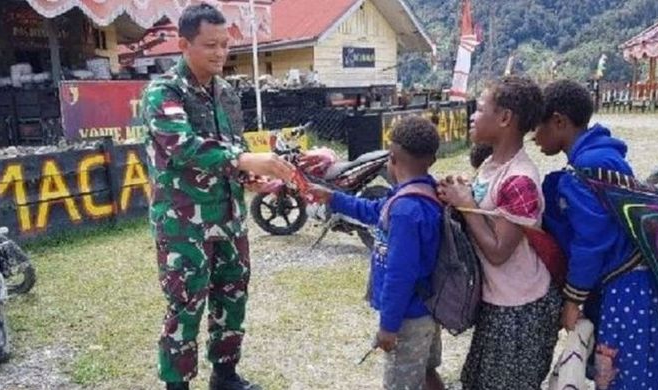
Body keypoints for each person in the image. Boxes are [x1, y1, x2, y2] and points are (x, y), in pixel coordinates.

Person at [140, 4, 295, 390]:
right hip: (183, 222)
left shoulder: (225, 91)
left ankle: (224, 376)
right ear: (183, 44)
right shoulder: (164, 92)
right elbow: (185, 147)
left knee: (232, 296)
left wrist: (250, 176)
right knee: (186, 304)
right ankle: (178, 384)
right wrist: (243, 158)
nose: (220, 53)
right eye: (211, 45)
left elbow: (232, 147)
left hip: (228, 216)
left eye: (225, 45)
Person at [535, 79, 658, 390]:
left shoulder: (585, 168)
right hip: (635, 284)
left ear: (559, 122)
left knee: (619, 372)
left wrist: (572, 298)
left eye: (536, 129)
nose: (535, 138)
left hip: (624, 288)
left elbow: (591, 242)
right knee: (640, 366)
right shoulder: (602, 155)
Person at [438, 76, 561, 390]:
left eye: (480, 109)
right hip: (499, 302)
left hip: (520, 310)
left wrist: (466, 205)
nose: (473, 116)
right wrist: (460, 194)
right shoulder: (493, 164)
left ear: (505, 118)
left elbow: (498, 251)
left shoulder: (520, 180)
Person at [306, 116, 445, 390]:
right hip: (425, 311)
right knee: (427, 373)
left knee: (401, 383)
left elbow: (399, 275)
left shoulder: (406, 210)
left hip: (408, 318)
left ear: (391, 158)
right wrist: (333, 197)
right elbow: (372, 211)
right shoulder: (417, 193)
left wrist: (388, 326)